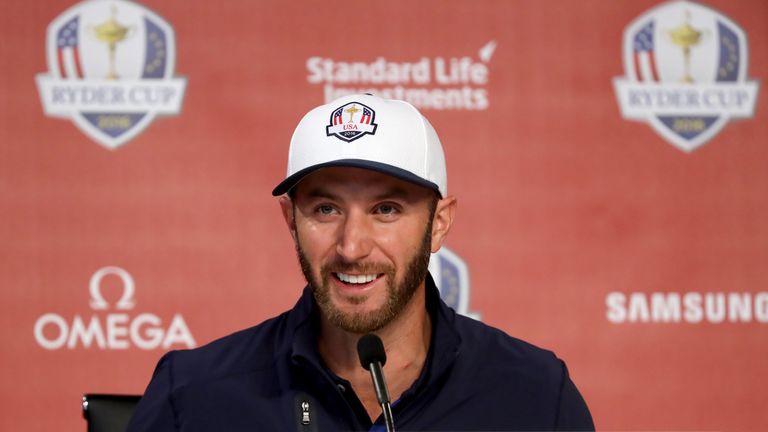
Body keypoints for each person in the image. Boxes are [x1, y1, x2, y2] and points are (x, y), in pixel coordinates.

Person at [128, 94, 594, 431]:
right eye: (325, 209)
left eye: (386, 209)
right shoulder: (193, 395)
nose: (351, 247)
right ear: (291, 220)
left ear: (439, 223)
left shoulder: (534, 395)